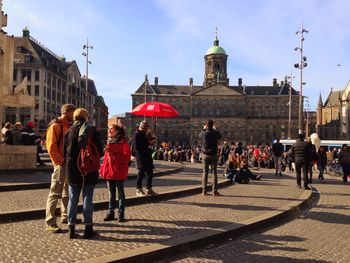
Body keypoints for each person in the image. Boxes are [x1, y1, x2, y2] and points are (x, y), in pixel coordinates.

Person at [65, 108, 103, 239]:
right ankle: (88, 229)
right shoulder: (92, 131)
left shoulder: (69, 131)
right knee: (87, 198)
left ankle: (71, 229)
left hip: (72, 169)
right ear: (86, 117)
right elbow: (100, 152)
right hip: (89, 169)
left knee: (73, 199)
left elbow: (65, 150)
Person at [45, 104, 76, 233]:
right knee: (55, 193)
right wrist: (60, 162)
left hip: (67, 164)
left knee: (66, 193)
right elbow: (51, 147)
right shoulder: (55, 126)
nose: (74, 115)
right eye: (73, 112)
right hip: (61, 164)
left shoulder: (68, 127)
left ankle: (65, 216)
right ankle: (50, 222)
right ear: (68, 112)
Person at [100, 124, 131, 222]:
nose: (109, 131)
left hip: (118, 172)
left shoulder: (123, 143)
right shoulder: (108, 142)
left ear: (117, 131)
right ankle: (111, 212)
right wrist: (103, 169)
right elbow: (106, 159)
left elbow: (126, 158)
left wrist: (113, 153)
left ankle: (121, 213)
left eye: (112, 129)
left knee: (120, 193)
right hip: (109, 172)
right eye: (109, 129)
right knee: (111, 194)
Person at [132, 121, 157, 196]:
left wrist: (151, 140)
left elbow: (147, 142)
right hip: (141, 157)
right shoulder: (136, 134)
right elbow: (136, 147)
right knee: (141, 173)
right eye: (146, 127)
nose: (147, 129)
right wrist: (148, 143)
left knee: (150, 173)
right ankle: (138, 189)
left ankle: (149, 189)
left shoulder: (145, 134)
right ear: (142, 127)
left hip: (147, 156)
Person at [198, 120, 222, 196]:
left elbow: (199, 135)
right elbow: (220, 136)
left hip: (205, 155)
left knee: (205, 172)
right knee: (214, 172)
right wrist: (215, 129)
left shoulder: (203, 133)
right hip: (213, 154)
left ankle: (204, 191)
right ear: (213, 125)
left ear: (206, 125)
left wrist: (204, 129)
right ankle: (214, 191)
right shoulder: (215, 133)